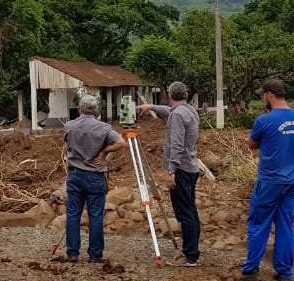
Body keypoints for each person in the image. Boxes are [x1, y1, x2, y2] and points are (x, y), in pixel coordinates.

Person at [237, 78, 294, 281]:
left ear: (269, 95)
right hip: (293, 179)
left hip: (270, 180)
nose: (262, 100)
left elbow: (251, 144)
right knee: (285, 224)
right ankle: (285, 272)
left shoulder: (264, 120)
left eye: (262, 96)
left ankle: (250, 270)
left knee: (259, 223)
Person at [137, 81, 202, 267]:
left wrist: (171, 171)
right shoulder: (188, 111)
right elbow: (170, 110)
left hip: (180, 169)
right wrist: (151, 107)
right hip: (191, 168)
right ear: (186, 95)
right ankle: (192, 250)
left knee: (185, 213)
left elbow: (176, 144)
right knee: (190, 210)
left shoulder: (178, 115)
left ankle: (190, 255)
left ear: (169, 94)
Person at [62, 94, 127, 263]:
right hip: (95, 175)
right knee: (96, 215)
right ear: (96, 110)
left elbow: (68, 143)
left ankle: (72, 252)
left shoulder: (70, 126)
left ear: (80, 109)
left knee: (73, 214)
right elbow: (121, 143)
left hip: (75, 174)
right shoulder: (104, 128)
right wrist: (105, 151)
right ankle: (95, 254)